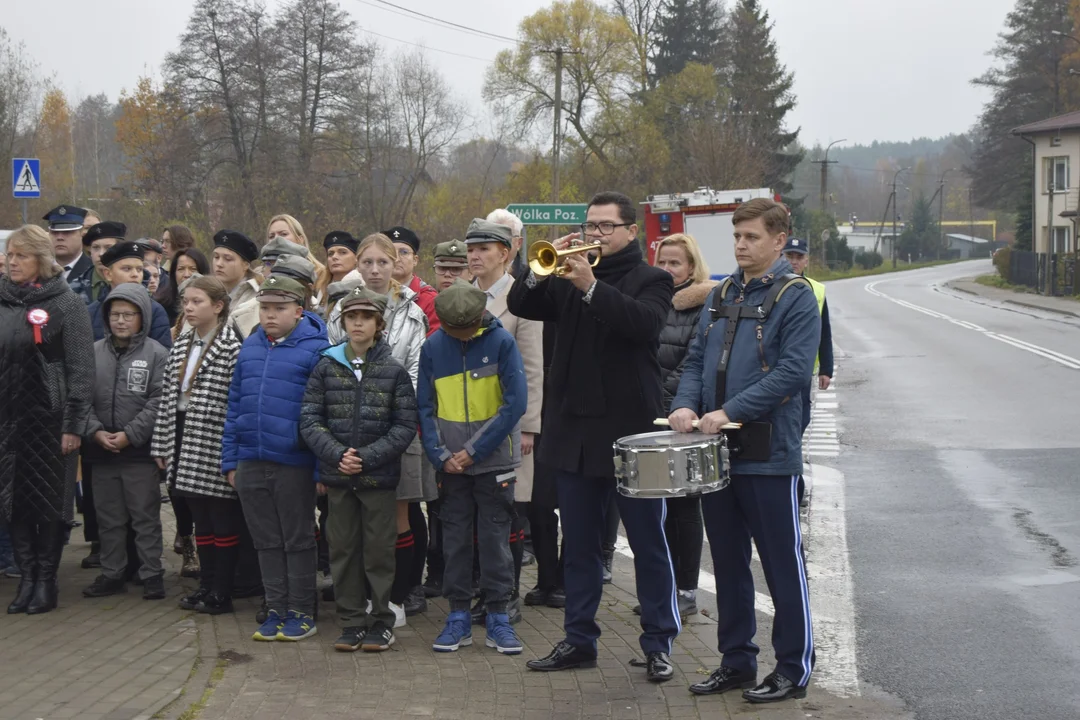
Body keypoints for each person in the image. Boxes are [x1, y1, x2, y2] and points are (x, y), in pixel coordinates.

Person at [508, 191, 679, 683]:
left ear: (630, 232)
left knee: (648, 544)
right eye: (590, 226)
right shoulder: (565, 274)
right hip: (575, 430)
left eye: (605, 226)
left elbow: (643, 325)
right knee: (578, 545)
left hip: (632, 433)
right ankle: (579, 639)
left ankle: (658, 643)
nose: (595, 234)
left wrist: (589, 286)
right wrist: (542, 270)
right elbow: (522, 302)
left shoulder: (653, 279)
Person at [670, 198, 820, 703]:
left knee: (782, 565)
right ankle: (736, 661)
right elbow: (694, 360)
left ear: (780, 240)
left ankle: (792, 669)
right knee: (729, 562)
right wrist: (686, 405)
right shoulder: (723, 292)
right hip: (717, 450)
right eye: (737, 236)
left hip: (770, 452)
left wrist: (729, 408)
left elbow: (794, 371)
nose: (740, 245)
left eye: (751, 236)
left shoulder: (797, 296)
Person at [301, 287, 418, 653]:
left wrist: (366, 457)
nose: (358, 323)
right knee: (343, 549)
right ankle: (351, 621)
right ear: (343, 321)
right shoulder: (326, 365)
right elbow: (309, 419)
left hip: (377, 479)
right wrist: (337, 455)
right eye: (352, 317)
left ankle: (381, 620)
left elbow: (404, 426)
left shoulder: (393, 370)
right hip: (338, 477)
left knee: (379, 551)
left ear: (378, 324)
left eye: (366, 317)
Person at [418, 280, 527, 655]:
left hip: (493, 463)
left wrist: (472, 451)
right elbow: (425, 406)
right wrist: (439, 454)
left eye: (467, 331)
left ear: (481, 318)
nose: (461, 338)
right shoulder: (432, 347)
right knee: (455, 542)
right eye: (453, 332)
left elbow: (514, 405)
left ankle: (498, 616)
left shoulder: (502, 343)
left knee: (496, 541)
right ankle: (458, 617)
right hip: (450, 466)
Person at [224, 275, 329, 642]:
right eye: (265, 308)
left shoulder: (316, 349)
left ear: (298, 311)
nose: (269, 315)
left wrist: (319, 467)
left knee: (297, 539)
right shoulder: (250, 347)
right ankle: (276, 607)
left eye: (279, 308)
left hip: (294, 461)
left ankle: (302, 610)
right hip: (251, 459)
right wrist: (231, 460)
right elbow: (235, 403)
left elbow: (322, 412)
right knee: (266, 540)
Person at [0, 225, 95, 615]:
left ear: (41, 258)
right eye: (9, 255)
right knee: (13, 502)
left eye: (21, 255)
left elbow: (82, 370)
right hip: (8, 422)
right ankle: (26, 578)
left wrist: (73, 424)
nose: (12, 262)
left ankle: (46, 580)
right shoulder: (2, 300)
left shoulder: (66, 304)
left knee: (51, 504)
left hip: (51, 421)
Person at [348, 233, 432, 626]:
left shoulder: (412, 311)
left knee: (399, 515)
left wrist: (386, 418)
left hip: (398, 428)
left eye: (385, 261)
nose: (376, 269)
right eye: (368, 262)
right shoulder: (341, 304)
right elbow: (332, 364)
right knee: (360, 519)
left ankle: (397, 598)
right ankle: (366, 595)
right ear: (358, 264)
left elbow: (415, 374)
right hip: (350, 429)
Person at [465, 219, 543, 625]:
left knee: (508, 511)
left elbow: (533, 367)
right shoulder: (462, 297)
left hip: (508, 421)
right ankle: (485, 590)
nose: (475, 256)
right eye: (471, 249)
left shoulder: (522, 297)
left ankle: (508, 594)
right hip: (467, 423)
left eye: (485, 248)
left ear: (506, 253)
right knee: (479, 512)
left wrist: (529, 425)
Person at [151, 275, 245, 615]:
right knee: (199, 519)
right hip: (182, 436)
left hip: (212, 441)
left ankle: (222, 589)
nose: (188, 308)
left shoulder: (232, 349)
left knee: (221, 519)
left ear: (218, 307)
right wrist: (162, 444)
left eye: (197, 302)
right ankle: (206, 585)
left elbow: (234, 405)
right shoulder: (181, 343)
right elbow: (167, 399)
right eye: (185, 302)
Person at [639, 232, 719, 619]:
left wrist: (669, 399)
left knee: (685, 509)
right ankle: (662, 589)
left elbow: (695, 363)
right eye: (663, 262)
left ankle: (686, 589)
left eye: (675, 263)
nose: (668, 269)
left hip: (681, 418)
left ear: (691, 268)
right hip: (650, 414)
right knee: (655, 510)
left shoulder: (702, 306)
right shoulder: (649, 299)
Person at [80, 283, 169, 601]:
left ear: (142, 317)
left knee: (145, 516)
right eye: (115, 314)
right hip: (101, 451)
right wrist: (95, 431)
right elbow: (80, 398)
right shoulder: (92, 352)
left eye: (128, 314)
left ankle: (152, 573)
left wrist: (131, 434)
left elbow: (159, 400)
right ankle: (112, 572)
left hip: (138, 454)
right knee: (109, 518)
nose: (120, 320)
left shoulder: (157, 354)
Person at [781, 238, 833, 507]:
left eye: (798, 256)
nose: (794, 261)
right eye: (789, 255)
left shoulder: (816, 290)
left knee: (798, 426)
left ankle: (794, 485)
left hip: (803, 375)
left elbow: (824, 332)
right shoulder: (773, 286)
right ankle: (793, 486)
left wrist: (826, 368)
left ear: (806, 260)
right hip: (776, 373)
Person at [87, 238, 174, 349]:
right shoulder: (92, 313)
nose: (135, 275)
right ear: (108, 274)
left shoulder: (155, 311)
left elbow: (161, 356)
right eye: (127, 269)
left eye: (139, 269)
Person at [231, 238, 313, 337]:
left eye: (281, 264)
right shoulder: (243, 314)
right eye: (268, 264)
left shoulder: (318, 321)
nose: (273, 273)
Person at [266, 215, 330, 311]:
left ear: (300, 239)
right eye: (272, 236)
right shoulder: (262, 275)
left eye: (283, 234)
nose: (277, 239)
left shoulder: (321, 274)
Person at [383, 226, 439, 335]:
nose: (397, 259)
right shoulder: (373, 292)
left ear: (415, 260)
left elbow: (431, 343)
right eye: (391, 253)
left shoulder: (429, 299)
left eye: (403, 252)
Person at [44, 205, 93, 304]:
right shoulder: (39, 269)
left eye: (67, 232)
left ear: (81, 234)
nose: (60, 237)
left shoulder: (92, 270)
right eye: (54, 232)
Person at [160, 248, 209, 328]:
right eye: (181, 269)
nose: (187, 275)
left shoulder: (212, 306)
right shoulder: (162, 306)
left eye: (193, 269)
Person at [213, 229, 261, 307]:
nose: (219, 264)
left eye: (228, 259)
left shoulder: (254, 298)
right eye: (216, 257)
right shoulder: (211, 294)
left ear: (245, 265)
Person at [319, 231, 359, 304]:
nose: (334, 257)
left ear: (356, 258)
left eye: (343, 252)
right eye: (330, 254)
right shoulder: (320, 289)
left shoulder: (361, 287)